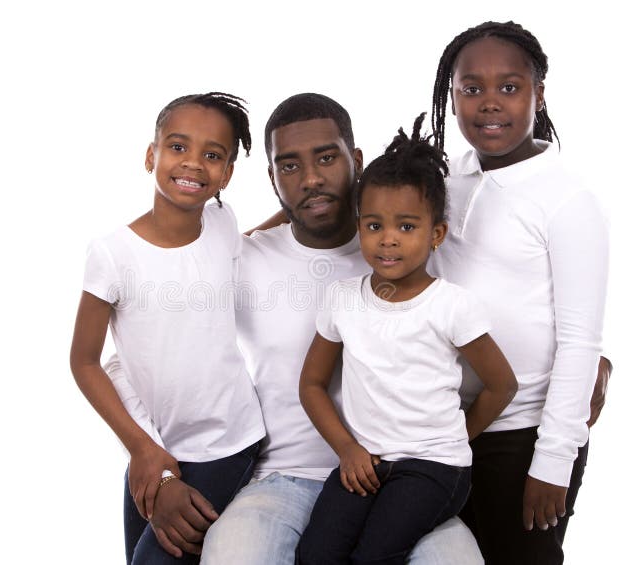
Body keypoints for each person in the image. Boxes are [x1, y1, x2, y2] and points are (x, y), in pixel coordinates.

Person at [197, 94, 485, 564]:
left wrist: (593, 356)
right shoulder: (244, 260)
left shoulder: (412, 251)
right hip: (287, 478)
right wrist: (151, 457)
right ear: (272, 178)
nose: (311, 178)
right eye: (290, 166)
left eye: (327, 158)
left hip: (400, 479)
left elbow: (501, 323)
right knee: (231, 554)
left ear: (356, 161)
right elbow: (154, 340)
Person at [295, 113, 518, 565]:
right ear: (359, 226)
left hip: (434, 468)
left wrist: (456, 439)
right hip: (366, 460)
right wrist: (347, 449)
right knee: (316, 554)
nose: (388, 240)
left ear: (436, 234)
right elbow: (311, 385)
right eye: (374, 226)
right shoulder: (342, 298)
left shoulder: (451, 305)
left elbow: (502, 385)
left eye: (407, 226)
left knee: (374, 556)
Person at [429, 22, 610, 564]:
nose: (490, 103)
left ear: (539, 94)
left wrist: (553, 461)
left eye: (509, 87)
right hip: (448, 426)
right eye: (471, 88)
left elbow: (579, 339)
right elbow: (359, 210)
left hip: (525, 433)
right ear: (452, 97)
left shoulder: (566, 200)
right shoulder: (443, 181)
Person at [69, 92, 265, 565]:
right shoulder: (113, 254)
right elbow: (84, 361)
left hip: (227, 444)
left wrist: (302, 217)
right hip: (151, 447)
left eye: (212, 155)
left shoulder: (222, 222)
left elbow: (247, 245)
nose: (193, 162)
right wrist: (143, 451)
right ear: (150, 155)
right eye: (178, 147)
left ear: (227, 175)